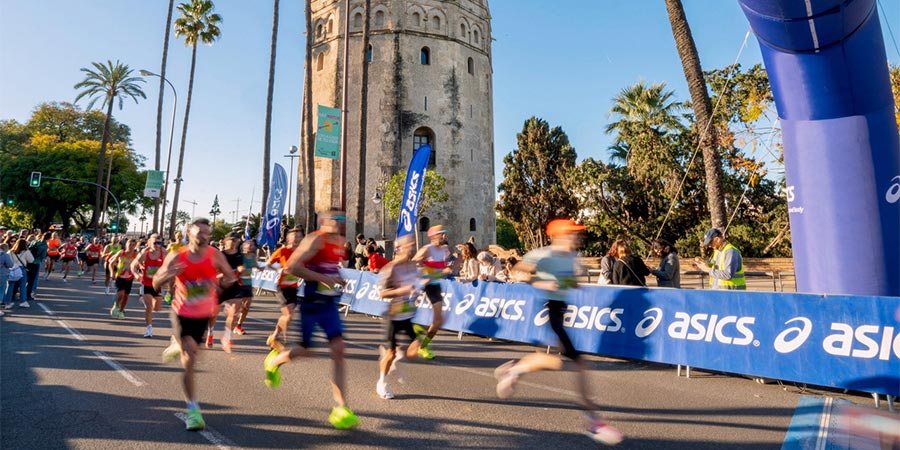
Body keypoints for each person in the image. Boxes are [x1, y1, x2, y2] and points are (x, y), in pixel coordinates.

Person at [494, 219, 624, 445]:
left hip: (560, 310)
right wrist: (541, 283)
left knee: (557, 362)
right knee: (579, 363)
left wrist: (573, 283)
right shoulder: (544, 255)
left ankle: (514, 369)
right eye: (572, 234)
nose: (577, 237)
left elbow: (569, 281)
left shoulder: (572, 256)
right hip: (546, 309)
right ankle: (593, 420)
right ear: (558, 236)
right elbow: (517, 272)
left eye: (577, 234)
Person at [263, 210, 359, 430]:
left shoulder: (340, 243)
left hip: (329, 305)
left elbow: (330, 268)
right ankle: (275, 362)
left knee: (339, 349)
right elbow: (292, 267)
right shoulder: (315, 239)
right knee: (305, 351)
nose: (339, 223)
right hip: (311, 303)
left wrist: (338, 278)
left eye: (342, 220)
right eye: (335, 219)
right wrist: (323, 278)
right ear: (324, 222)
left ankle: (341, 408)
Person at [153, 218, 237, 431]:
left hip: (203, 314)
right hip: (182, 311)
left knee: (192, 354)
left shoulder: (215, 255)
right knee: (190, 358)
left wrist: (221, 284)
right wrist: (168, 275)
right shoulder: (177, 256)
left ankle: (176, 343)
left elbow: (230, 277)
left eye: (207, 233)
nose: (204, 236)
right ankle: (192, 409)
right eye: (200, 232)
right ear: (189, 233)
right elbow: (155, 282)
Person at [375, 235, 423, 399]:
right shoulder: (391, 268)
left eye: (412, 245)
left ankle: (394, 356)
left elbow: (418, 285)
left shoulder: (414, 266)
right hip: (393, 317)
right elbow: (382, 293)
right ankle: (382, 384)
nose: (411, 248)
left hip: (408, 316)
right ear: (399, 248)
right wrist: (402, 291)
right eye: (408, 245)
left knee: (415, 351)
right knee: (390, 355)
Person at [411, 225, 460, 360]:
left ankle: (423, 346)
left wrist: (458, 261)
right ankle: (415, 330)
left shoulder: (444, 250)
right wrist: (422, 276)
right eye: (443, 234)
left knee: (438, 321)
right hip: (421, 284)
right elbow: (411, 264)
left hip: (434, 285)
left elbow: (445, 269)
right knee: (405, 315)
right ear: (435, 236)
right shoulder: (427, 249)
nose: (446, 236)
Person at [207, 235, 253, 352]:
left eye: (235, 241)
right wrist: (223, 275)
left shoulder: (240, 256)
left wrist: (241, 270)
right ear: (225, 242)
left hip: (234, 287)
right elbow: (212, 273)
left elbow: (241, 267)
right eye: (231, 241)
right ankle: (210, 332)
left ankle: (227, 337)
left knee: (234, 313)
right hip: (220, 287)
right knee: (213, 314)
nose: (233, 243)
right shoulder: (219, 255)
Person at [265, 228, 303, 349]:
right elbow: (268, 264)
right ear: (288, 238)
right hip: (282, 287)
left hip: (293, 287)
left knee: (288, 316)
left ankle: (274, 336)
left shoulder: (301, 253)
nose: (297, 238)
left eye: (299, 236)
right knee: (289, 315)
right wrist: (279, 270)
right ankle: (282, 339)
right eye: (294, 236)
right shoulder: (282, 251)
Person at [132, 234, 165, 337]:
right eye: (155, 243)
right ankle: (149, 329)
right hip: (146, 283)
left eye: (159, 243)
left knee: (157, 308)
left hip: (158, 285)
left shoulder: (164, 253)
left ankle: (144, 299)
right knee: (149, 307)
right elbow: (133, 265)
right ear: (150, 242)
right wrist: (136, 274)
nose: (157, 245)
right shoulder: (145, 254)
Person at [232, 238, 259, 336]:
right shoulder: (240, 256)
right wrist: (240, 269)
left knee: (246, 307)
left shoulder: (253, 256)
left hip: (248, 284)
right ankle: (231, 325)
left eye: (252, 245)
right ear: (244, 246)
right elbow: (235, 267)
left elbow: (255, 265)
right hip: (239, 284)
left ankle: (238, 326)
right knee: (237, 308)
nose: (251, 247)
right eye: (249, 245)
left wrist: (259, 268)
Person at [108, 239, 139, 319]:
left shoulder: (136, 255)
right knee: (121, 293)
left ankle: (121, 311)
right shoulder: (121, 253)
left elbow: (140, 264)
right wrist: (112, 273)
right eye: (130, 244)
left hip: (129, 278)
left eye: (133, 245)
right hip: (120, 277)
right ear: (126, 245)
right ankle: (116, 305)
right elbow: (111, 263)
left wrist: (138, 273)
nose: (131, 247)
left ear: (135, 246)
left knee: (126, 297)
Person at [7, 239, 35, 308]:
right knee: (22, 286)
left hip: (12, 268)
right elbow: (31, 260)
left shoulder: (10, 252)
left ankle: (7, 302)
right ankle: (23, 301)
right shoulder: (26, 251)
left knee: (10, 286)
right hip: (21, 269)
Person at [26, 233, 48, 301]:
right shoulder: (44, 245)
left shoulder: (34, 242)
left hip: (28, 261)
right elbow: (43, 256)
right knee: (31, 279)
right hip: (36, 262)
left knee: (25, 277)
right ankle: (28, 294)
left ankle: (18, 292)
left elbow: (28, 249)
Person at [0, 243, 16, 310]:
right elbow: (10, 264)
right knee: (2, 289)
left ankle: (3, 303)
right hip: (2, 273)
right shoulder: (4, 255)